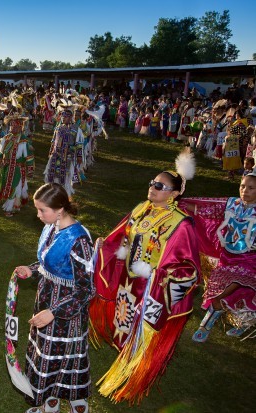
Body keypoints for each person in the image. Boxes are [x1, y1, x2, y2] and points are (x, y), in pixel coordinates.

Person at [89, 149, 200, 404]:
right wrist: (104, 246)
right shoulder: (142, 209)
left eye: (160, 186)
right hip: (128, 279)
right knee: (124, 317)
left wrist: (161, 275)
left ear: (174, 194)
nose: (153, 187)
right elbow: (121, 236)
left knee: (142, 325)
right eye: (152, 182)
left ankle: (136, 362)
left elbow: (188, 266)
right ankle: (125, 351)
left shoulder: (180, 223)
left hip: (152, 287)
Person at [13, 183, 94, 413]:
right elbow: (52, 262)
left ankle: (69, 398)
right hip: (46, 299)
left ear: (60, 209)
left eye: (42, 210)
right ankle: (50, 399)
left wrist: (54, 312)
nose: (38, 215)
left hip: (66, 311)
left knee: (63, 355)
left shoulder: (79, 240)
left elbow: (86, 289)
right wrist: (32, 269)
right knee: (46, 353)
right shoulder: (52, 226)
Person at [181, 173, 256, 341]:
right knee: (232, 292)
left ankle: (205, 325)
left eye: (251, 188)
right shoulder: (232, 204)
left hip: (250, 261)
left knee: (233, 285)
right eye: (243, 186)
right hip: (228, 258)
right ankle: (241, 322)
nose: (245, 191)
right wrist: (185, 206)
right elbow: (209, 210)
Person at [0, 113, 35, 217]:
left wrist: (30, 170)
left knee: (15, 187)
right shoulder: (6, 138)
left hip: (18, 169)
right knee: (8, 185)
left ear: (21, 127)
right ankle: (16, 204)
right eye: (12, 125)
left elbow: (29, 157)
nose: (14, 128)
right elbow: (0, 153)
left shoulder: (24, 140)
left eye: (16, 126)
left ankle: (9, 207)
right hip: (7, 168)